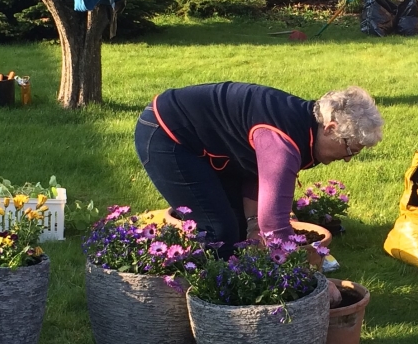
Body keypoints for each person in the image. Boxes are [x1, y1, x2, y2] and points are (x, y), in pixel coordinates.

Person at [135, 82, 383, 259]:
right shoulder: (284, 141)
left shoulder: (302, 126)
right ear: (329, 129)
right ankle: (216, 309)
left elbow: (255, 171)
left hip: (204, 142)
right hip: (167, 134)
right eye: (351, 148)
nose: (349, 159)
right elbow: (274, 226)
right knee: (219, 232)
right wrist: (308, 277)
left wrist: (253, 224)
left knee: (239, 230)